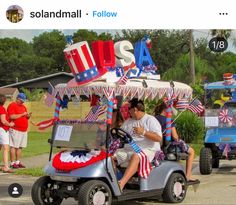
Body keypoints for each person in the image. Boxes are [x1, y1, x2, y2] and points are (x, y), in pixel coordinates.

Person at [113, 98, 162, 190]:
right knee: (110, 157)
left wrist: (144, 132)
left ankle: (121, 183)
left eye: (129, 109)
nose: (128, 112)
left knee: (136, 156)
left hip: (147, 149)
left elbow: (158, 138)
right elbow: (121, 133)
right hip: (129, 149)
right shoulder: (128, 122)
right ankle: (113, 180)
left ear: (135, 109)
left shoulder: (150, 120)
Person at [154, 102, 198, 182]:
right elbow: (175, 137)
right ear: (165, 110)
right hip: (168, 146)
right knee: (191, 152)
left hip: (156, 145)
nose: (171, 113)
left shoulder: (154, 119)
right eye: (170, 111)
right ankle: (188, 175)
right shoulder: (169, 121)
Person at [7, 93, 31, 169]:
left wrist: (28, 116)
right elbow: (11, 116)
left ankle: (17, 162)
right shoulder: (12, 105)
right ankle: (12, 163)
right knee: (13, 146)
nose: (22, 102)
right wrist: (22, 114)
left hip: (23, 130)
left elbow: (26, 117)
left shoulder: (23, 107)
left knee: (20, 147)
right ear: (17, 99)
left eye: (23, 101)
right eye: (21, 101)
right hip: (15, 129)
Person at [0, 94, 15, 173]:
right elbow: (3, 121)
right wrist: (10, 124)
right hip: (2, 130)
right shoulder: (1, 108)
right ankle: (6, 167)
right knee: (6, 148)